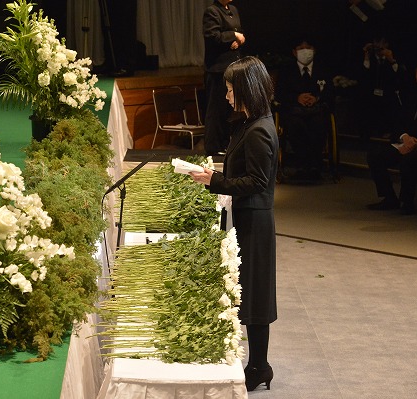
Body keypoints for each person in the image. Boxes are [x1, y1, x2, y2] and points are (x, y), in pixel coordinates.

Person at [189, 56, 278, 392]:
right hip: (247, 217)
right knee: (249, 291)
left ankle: (259, 365)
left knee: (255, 294)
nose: (226, 95)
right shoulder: (250, 122)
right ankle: (257, 363)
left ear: (245, 90)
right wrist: (218, 177)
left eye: (229, 90)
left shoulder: (259, 130)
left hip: (254, 221)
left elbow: (255, 182)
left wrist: (215, 180)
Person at [367, 61, 417, 216]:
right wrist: (404, 137)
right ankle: (389, 197)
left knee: (412, 158)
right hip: (408, 142)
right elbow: (399, 121)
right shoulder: (413, 96)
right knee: (375, 155)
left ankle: (408, 202)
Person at [275, 38, 335, 182]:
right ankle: (302, 166)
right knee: (296, 126)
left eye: (308, 47)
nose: (305, 51)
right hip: (294, 111)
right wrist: (297, 97)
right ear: (294, 52)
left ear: (314, 50)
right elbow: (280, 93)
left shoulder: (323, 69)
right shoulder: (286, 70)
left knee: (318, 124)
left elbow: (331, 92)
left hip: (316, 110)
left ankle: (315, 166)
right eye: (301, 48)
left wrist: (317, 98)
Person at [202, 0, 245, 156]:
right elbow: (212, 35)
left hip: (232, 65)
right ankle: (214, 146)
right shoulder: (212, 11)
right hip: (217, 68)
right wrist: (233, 35)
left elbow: (238, 32)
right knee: (216, 108)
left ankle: (227, 143)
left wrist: (238, 41)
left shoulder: (233, 9)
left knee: (229, 108)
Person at [357, 36, 405, 140]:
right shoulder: (370, 57)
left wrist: (391, 59)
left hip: (387, 94)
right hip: (371, 93)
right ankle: (368, 132)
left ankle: (387, 131)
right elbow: (363, 74)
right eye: (376, 45)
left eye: (381, 46)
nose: (378, 48)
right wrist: (366, 56)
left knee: (389, 107)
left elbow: (400, 75)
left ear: (386, 45)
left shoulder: (392, 58)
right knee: (367, 106)